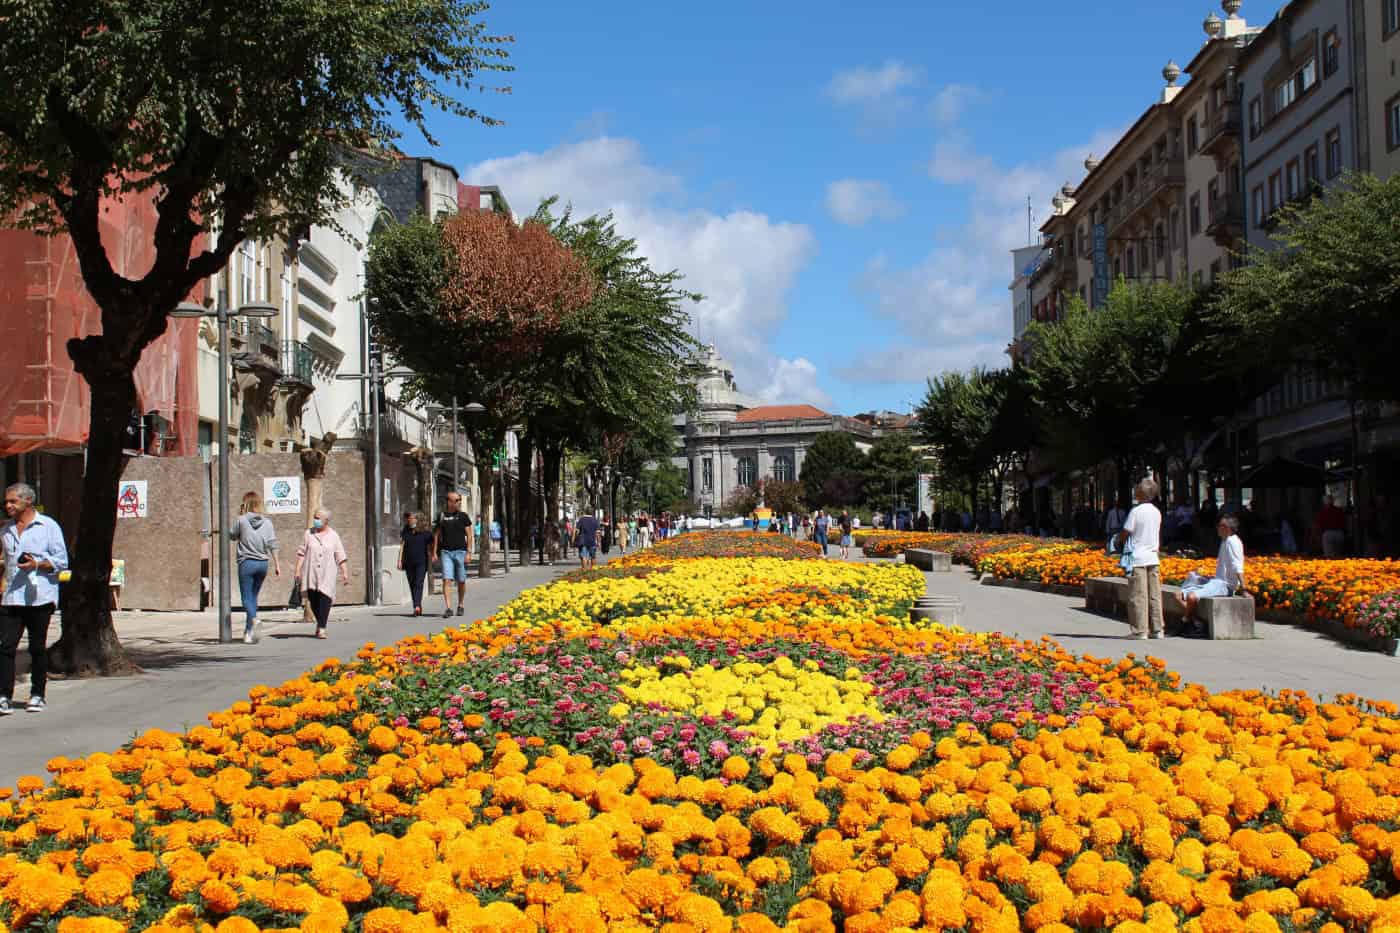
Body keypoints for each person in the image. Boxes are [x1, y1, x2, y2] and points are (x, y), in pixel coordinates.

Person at [0, 483, 68, 715]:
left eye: (13, 501)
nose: (8, 505)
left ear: (28, 501)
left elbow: (61, 561)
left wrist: (37, 564)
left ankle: (37, 694)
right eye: (6, 502)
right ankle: (4, 696)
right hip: (12, 597)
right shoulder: (6, 529)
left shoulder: (48, 526)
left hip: (39, 597)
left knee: (37, 648)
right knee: (5, 647)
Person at [1176, 514, 1247, 637]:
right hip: (1217, 581)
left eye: (1219, 525)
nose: (1217, 528)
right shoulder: (1225, 541)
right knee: (1178, 595)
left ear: (1227, 528)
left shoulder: (1232, 542)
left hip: (1225, 585)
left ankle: (1186, 622)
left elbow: (1237, 565)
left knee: (1191, 597)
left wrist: (1244, 589)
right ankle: (1198, 623)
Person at [1114, 478, 1164, 640]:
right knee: (1154, 595)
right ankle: (1157, 629)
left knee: (1138, 595)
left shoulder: (1136, 511)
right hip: (1153, 557)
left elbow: (1126, 531)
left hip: (1137, 557)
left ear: (1140, 493)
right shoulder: (1156, 512)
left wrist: (1118, 540)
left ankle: (1140, 630)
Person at [230, 490, 280, 644]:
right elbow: (273, 543)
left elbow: (232, 535)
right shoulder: (268, 522)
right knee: (253, 598)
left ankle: (254, 619)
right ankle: (248, 633)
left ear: (245, 504)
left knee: (246, 599)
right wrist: (277, 564)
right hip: (263, 564)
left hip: (247, 563)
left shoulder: (241, 520)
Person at [295, 508, 350, 639]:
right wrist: (297, 570)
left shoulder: (334, 536)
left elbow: (340, 554)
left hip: (327, 572)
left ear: (326, 520)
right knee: (313, 599)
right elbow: (302, 553)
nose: (315, 520)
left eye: (318, 518)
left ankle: (321, 628)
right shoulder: (308, 534)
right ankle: (321, 623)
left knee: (325, 597)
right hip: (311, 572)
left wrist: (345, 572)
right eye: (315, 517)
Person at [433, 493, 473, 619]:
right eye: (456, 500)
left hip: (461, 552)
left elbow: (469, 535)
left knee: (461, 580)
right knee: (447, 579)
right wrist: (434, 552)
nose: (458, 502)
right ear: (449, 502)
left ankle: (460, 605)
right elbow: (436, 535)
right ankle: (449, 608)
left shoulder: (463, 516)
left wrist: (469, 552)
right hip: (446, 552)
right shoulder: (441, 516)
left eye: (459, 500)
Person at [398, 511, 433, 617]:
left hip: (421, 562)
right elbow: (402, 545)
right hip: (408, 561)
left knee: (418, 583)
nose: (409, 519)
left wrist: (432, 556)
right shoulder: (406, 530)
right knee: (412, 584)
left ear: (417, 520)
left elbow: (430, 546)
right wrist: (399, 560)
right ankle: (417, 605)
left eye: (411, 518)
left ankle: (416, 606)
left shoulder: (425, 532)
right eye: (408, 518)